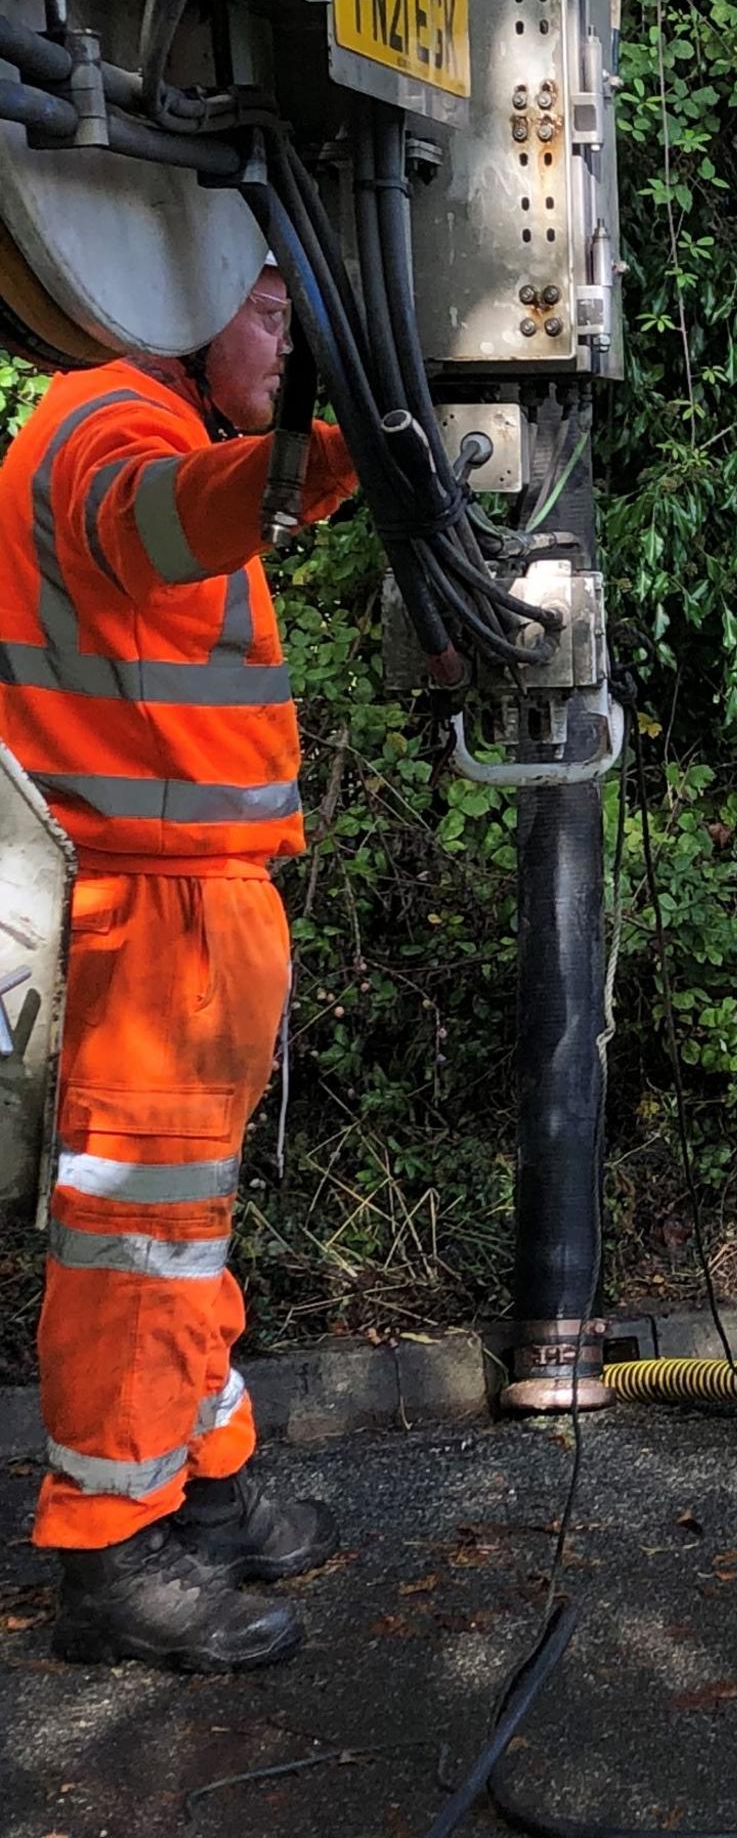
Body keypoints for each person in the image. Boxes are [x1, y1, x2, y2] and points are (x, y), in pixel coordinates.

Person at [0, 259, 357, 1667]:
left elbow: (209, 507)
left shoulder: (164, 427)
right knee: (136, 1242)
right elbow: (161, 523)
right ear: (180, 298)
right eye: (270, 312)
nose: (288, 336)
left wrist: (346, 461)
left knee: (176, 1231)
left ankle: (201, 1489)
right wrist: (311, 457)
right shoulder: (105, 422)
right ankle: (112, 1552)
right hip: (149, 914)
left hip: (196, 906)